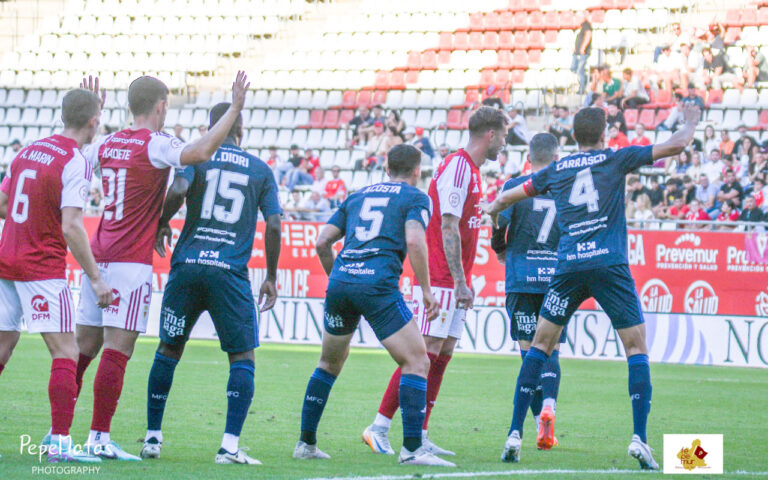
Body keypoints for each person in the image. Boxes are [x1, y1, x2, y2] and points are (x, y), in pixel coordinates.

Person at [483, 103, 701, 470]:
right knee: (636, 348)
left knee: (539, 346)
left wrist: (492, 213)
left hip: (569, 266)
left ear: (573, 136)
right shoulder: (616, 158)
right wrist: (691, 121)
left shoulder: (556, 170)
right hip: (609, 265)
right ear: (604, 135)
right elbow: (676, 145)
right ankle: (639, 438)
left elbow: (505, 198)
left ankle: (514, 434)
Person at [74, 72, 250, 460]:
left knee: (82, 351)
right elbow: (201, 152)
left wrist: (90, 115)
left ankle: (58, 433)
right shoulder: (155, 143)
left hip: (97, 255)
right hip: (129, 261)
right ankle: (99, 437)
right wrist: (234, 108)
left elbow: (75, 151)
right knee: (116, 351)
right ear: (161, 106)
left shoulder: (107, 142)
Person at [292, 145, 453, 467]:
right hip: (377, 285)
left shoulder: (357, 196)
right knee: (417, 361)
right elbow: (414, 240)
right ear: (417, 170)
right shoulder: (416, 197)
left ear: (386, 168)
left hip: (341, 282)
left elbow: (322, 241)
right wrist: (426, 290)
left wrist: (339, 278)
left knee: (328, 363)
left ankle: (305, 444)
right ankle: (412, 449)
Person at [363, 107, 508, 457]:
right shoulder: (458, 166)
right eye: (503, 135)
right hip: (442, 277)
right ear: (490, 134)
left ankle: (422, 432)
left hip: (454, 278)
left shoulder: (470, 170)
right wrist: (458, 281)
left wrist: (465, 278)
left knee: (442, 354)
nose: (505, 143)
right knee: (422, 354)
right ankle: (379, 426)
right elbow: (447, 225)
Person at [142, 102, 281, 464]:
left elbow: (177, 191)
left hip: (187, 266)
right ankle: (229, 447)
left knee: (168, 348)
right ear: (241, 130)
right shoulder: (260, 169)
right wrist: (271, 276)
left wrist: (162, 222)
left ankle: (152, 438)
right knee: (242, 356)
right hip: (229, 272)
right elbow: (274, 224)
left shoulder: (196, 157)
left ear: (211, 127)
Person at [0, 85, 113, 463]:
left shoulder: (28, 150)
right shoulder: (74, 161)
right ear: (94, 122)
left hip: (6, 261)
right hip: (41, 269)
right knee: (65, 352)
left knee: (2, 347)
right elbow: (72, 226)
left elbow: (2, 204)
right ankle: (60, 443)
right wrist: (95, 278)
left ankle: (59, 441)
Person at [490, 133, 565, 452]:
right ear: (556, 157)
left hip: (521, 276)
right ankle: (548, 407)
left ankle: (536, 423)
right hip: (556, 280)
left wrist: (499, 247)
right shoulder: (566, 186)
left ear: (529, 158)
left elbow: (498, 221)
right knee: (551, 349)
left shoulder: (515, 186)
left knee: (529, 353)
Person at [572, 12, 592, 94]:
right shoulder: (582, 26)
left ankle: (582, 88)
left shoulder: (586, 25)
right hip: (577, 53)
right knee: (574, 69)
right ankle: (585, 80)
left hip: (582, 53)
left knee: (580, 70)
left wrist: (583, 48)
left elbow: (588, 35)